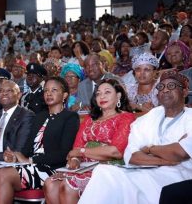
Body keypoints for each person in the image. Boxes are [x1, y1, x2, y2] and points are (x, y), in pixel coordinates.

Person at [78, 70, 192, 204]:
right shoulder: (152, 116)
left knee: (124, 186)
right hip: (144, 171)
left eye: (172, 86)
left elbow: (180, 152)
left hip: (178, 176)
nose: (165, 90)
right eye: (161, 87)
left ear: (184, 92)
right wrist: (165, 157)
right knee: (103, 171)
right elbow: (132, 156)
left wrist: (148, 149)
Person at [0, 76, 80, 204]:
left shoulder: (70, 117)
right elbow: (27, 148)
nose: (48, 93)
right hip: (30, 165)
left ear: (65, 95)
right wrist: (15, 156)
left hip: (51, 168)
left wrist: (31, 160)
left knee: (4, 175)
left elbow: (63, 153)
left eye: (54, 90)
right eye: (46, 91)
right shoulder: (39, 116)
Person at [44, 78, 135, 204]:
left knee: (69, 185)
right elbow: (76, 148)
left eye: (107, 92)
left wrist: (81, 152)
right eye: (98, 93)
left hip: (108, 168)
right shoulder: (89, 119)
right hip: (83, 167)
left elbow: (115, 152)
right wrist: (74, 162)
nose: (102, 96)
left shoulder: (125, 117)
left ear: (118, 95)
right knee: (50, 183)